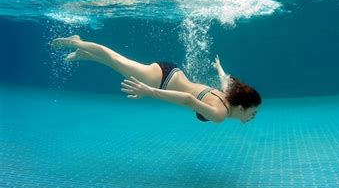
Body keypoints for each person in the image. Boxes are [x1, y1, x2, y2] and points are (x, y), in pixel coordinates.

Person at [51, 35, 260, 123]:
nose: (253, 116)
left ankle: (85, 54)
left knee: (116, 64)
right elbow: (188, 100)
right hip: (160, 81)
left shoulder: (227, 95)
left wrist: (219, 68)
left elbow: (226, 80)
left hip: (171, 71)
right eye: (254, 112)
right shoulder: (220, 114)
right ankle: (78, 42)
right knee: (115, 57)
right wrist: (150, 92)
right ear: (242, 107)